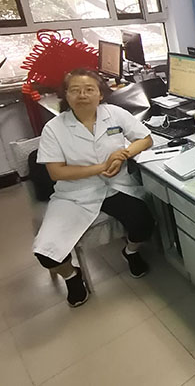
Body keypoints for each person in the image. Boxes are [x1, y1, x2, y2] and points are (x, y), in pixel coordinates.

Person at [34, 69, 155, 307]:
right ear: (66, 95)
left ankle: (130, 252)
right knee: (46, 254)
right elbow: (56, 172)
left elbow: (145, 139)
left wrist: (123, 154)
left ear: (100, 94)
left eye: (89, 89)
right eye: (75, 90)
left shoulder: (114, 113)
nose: (82, 95)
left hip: (116, 187)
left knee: (145, 223)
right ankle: (72, 276)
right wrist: (101, 167)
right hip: (75, 194)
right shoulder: (54, 128)